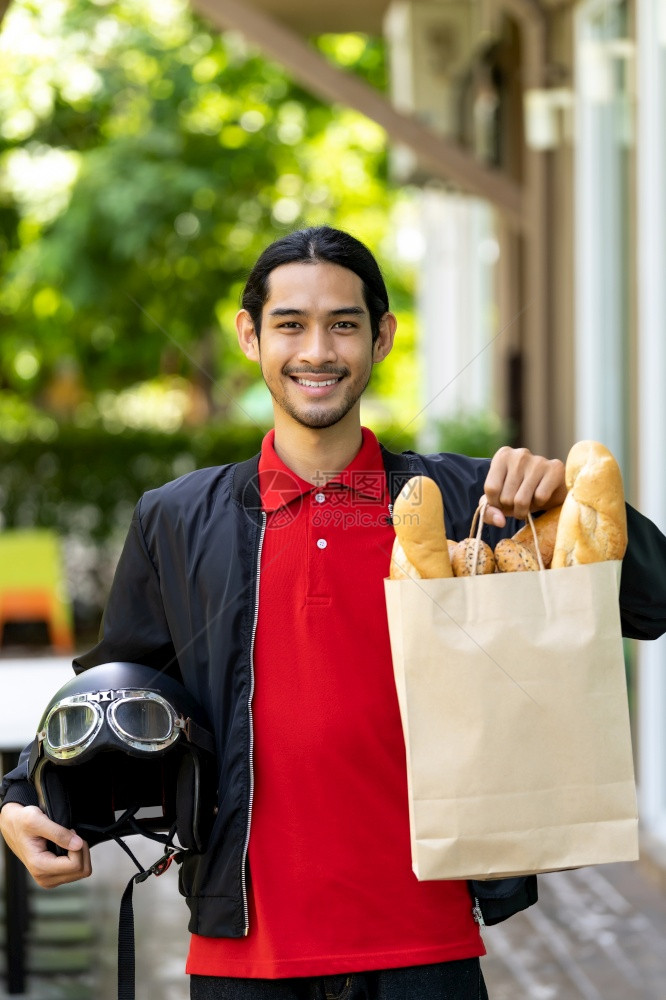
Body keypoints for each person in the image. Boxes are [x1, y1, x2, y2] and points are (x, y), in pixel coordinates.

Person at [2, 226, 666, 1000]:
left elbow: (651, 602)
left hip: (429, 943)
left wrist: (560, 497)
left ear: (381, 337)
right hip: (243, 951)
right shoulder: (176, 519)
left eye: (343, 324)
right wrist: (26, 795)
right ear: (251, 334)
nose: (317, 349)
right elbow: (122, 688)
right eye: (291, 324)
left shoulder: (469, 502)